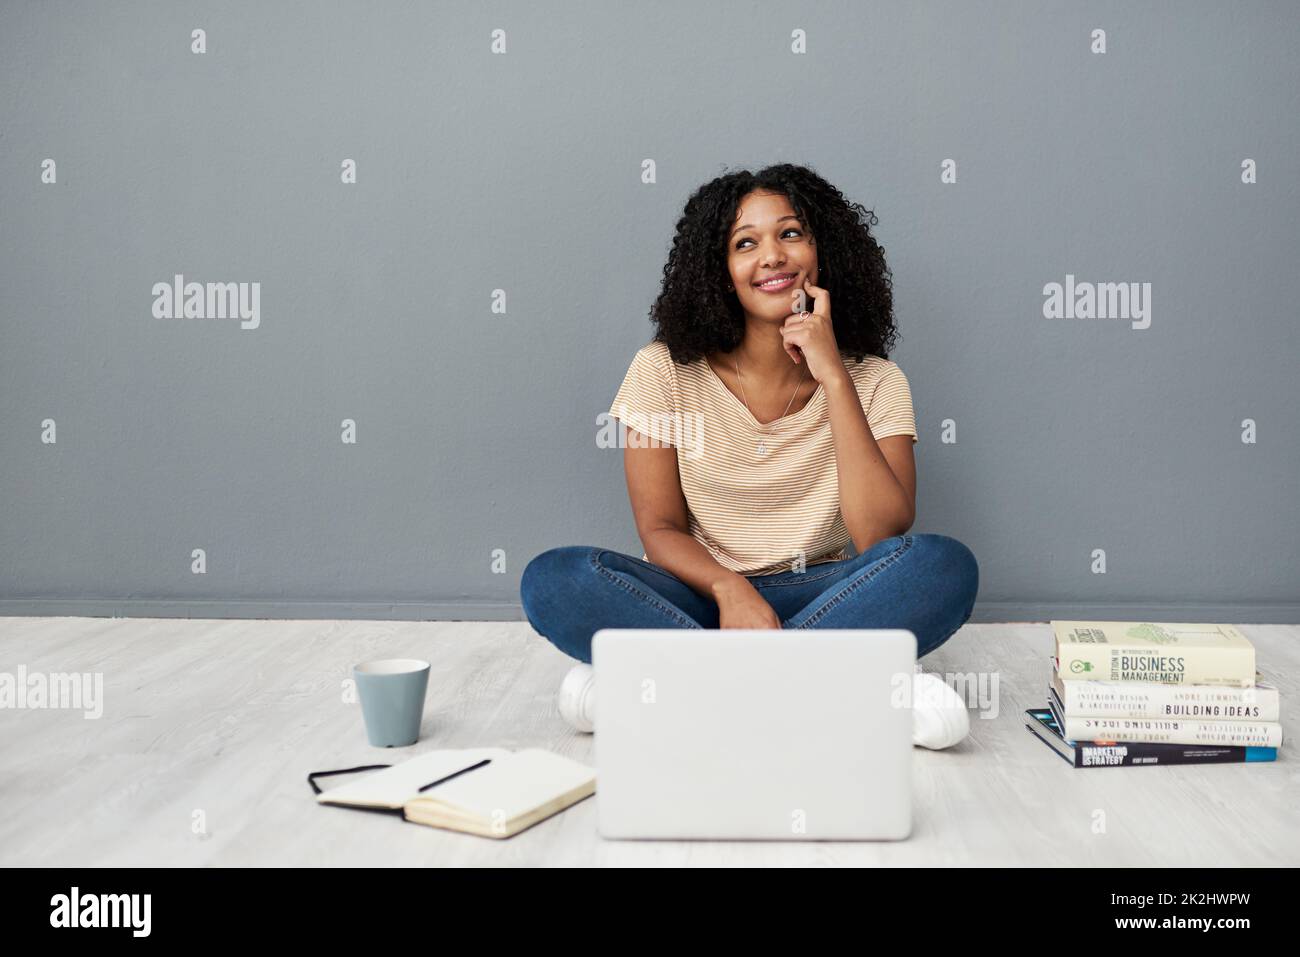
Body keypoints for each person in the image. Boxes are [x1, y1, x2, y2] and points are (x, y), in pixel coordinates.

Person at [521, 163, 978, 748]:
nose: (772, 256)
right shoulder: (662, 370)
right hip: (701, 593)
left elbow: (880, 535)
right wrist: (732, 590)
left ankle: (667, 683)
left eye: (790, 233)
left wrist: (833, 374)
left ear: (823, 251)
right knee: (556, 579)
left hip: (827, 587)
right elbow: (659, 527)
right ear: (719, 271)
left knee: (941, 565)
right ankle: (847, 682)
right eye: (745, 243)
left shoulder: (876, 380)